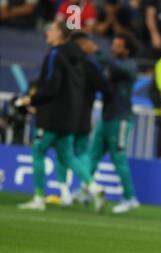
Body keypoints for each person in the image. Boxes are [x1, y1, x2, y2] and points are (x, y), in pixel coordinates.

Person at [16, 21, 105, 212]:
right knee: (67, 156)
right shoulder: (78, 57)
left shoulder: (55, 54)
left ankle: (39, 198)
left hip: (52, 115)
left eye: (52, 30)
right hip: (71, 115)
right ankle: (94, 187)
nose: (47, 32)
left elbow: (50, 85)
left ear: (60, 35)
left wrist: (32, 99)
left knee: (38, 151)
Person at [55, 31, 111, 206]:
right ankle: (85, 190)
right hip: (85, 113)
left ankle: (70, 192)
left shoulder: (66, 60)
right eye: (88, 43)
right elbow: (105, 86)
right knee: (82, 152)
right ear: (82, 44)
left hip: (68, 113)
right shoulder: (91, 64)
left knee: (63, 153)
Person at [89, 32, 140, 214]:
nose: (112, 49)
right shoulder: (111, 64)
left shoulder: (130, 66)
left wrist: (97, 52)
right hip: (106, 117)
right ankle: (85, 189)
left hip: (121, 119)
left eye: (117, 46)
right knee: (92, 156)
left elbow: (117, 68)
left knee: (119, 158)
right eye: (113, 45)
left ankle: (129, 197)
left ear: (126, 50)